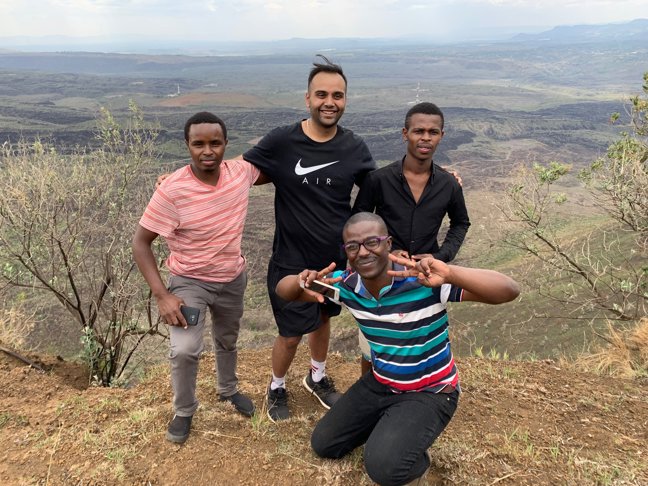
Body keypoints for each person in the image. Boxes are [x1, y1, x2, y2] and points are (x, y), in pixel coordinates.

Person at [275, 212, 520, 486]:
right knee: (324, 444)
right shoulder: (346, 286)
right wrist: (301, 281)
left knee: (384, 468)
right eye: (353, 246)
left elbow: (508, 290)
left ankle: (410, 451)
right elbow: (284, 291)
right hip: (382, 383)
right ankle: (391, 425)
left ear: (388, 243)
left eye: (372, 242)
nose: (363, 252)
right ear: (346, 252)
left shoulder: (424, 282)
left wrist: (450, 272)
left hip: (431, 391)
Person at [241, 55, 376, 421]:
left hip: (334, 261)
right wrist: (179, 180)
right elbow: (235, 171)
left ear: (345, 99)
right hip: (290, 260)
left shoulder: (355, 147)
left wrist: (440, 177)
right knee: (290, 333)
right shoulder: (283, 141)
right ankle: (276, 385)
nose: (329, 102)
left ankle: (316, 376)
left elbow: (383, 187)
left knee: (323, 319)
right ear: (307, 99)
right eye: (321, 94)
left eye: (338, 95)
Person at [132, 112, 269, 444]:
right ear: (187, 145)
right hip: (189, 283)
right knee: (184, 349)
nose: (207, 151)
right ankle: (184, 410)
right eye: (198, 144)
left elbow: (276, 166)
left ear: (225, 144)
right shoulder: (173, 190)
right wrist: (162, 295)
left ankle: (228, 389)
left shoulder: (240, 173)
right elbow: (140, 242)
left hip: (232, 278)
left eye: (215, 143)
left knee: (227, 338)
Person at [352, 101, 471, 375]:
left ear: (442, 135)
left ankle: (413, 394)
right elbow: (358, 223)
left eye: (433, 131)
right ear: (405, 133)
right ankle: (371, 397)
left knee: (422, 342)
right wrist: (384, 252)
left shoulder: (448, 184)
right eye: (419, 131)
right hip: (382, 277)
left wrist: (441, 256)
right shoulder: (378, 180)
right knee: (373, 347)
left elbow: (461, 222)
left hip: (426, 278)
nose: (425, 138)